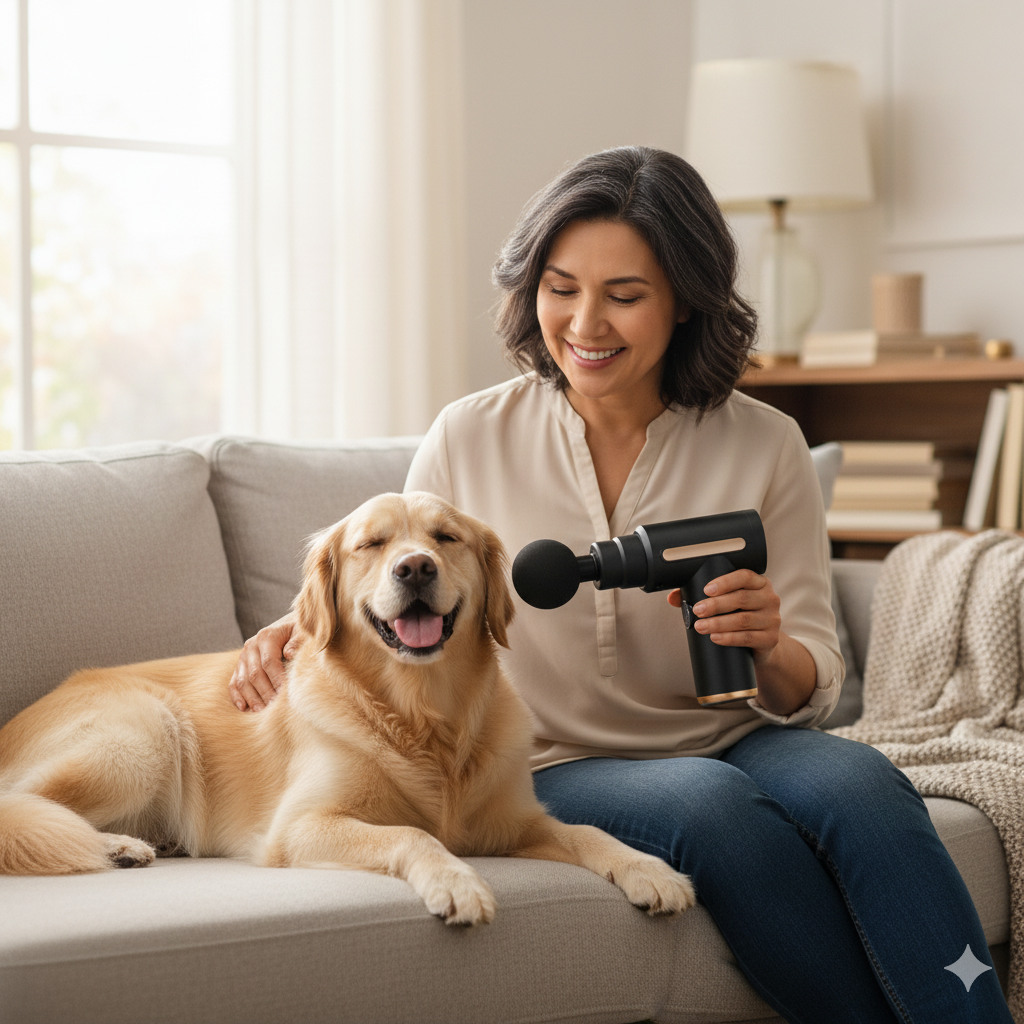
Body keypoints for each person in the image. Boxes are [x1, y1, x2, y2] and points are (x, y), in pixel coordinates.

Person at [229, 146, 1012, 1023]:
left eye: (625, 295)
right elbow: (403, 582)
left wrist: (770, 644)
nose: (585, 323)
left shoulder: (767, 443)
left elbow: (813, 684)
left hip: (739, 732)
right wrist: (287, 632)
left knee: (864, 784)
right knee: (713, 809)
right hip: (556, 756)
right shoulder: (468, 435)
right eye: (560, 288)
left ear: (685, 301)